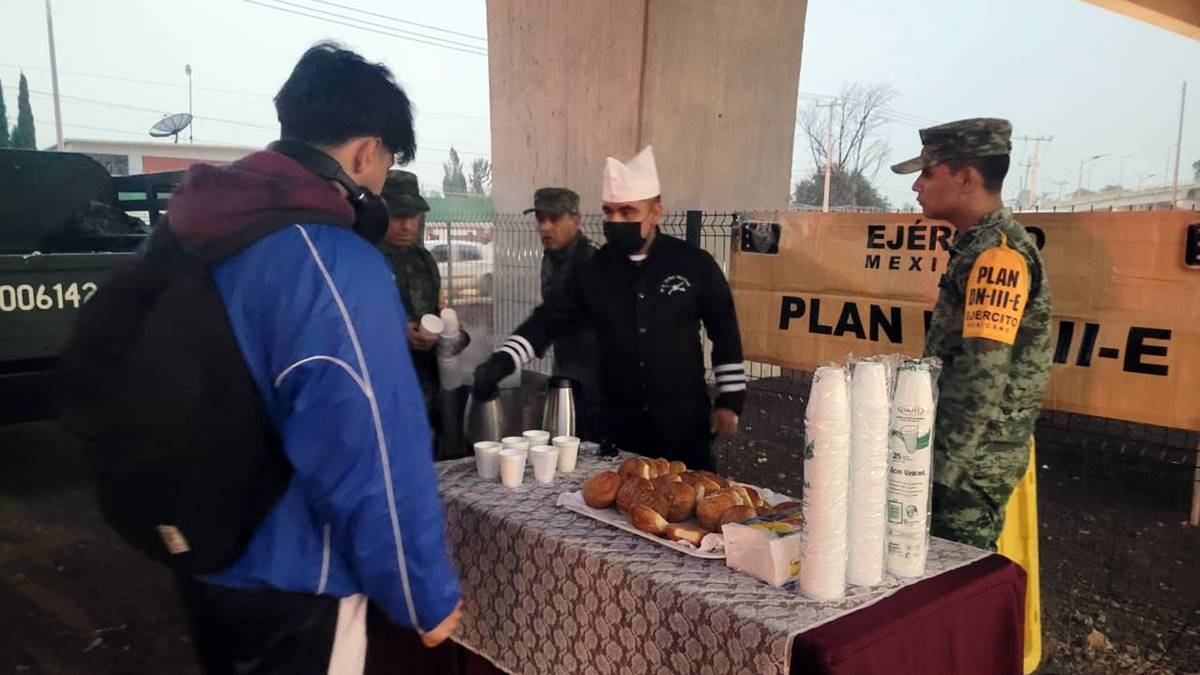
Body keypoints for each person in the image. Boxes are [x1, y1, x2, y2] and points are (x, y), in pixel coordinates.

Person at [166, 43, 461, 671]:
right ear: (365, 152)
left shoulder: (186, 232)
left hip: (199, 551)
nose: (380, 185)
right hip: (297, 579)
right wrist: (423, 595)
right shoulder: (332, 262)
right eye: (387, 164)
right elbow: (374, 449)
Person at [473, 146, 745, 471]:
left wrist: (730, 399)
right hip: (621, 427)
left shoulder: (693, 264)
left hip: (684, 425)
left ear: (656, 212)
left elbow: (724, 329)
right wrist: (503, 360)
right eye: (609, 212)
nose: (616, 221)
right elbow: (548, 321)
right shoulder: (593, 271)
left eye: (628, 212)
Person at [892, 118, 1052, 550]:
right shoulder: (978, 246)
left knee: (949, 580)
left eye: (928, 173)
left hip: (965, 468)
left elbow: (982, 375)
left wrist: (941, 472)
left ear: (965, 179)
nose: (917, 187)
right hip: (961, 459)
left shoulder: (997, 255)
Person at [525, 187, 600, 438]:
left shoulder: (592, 260)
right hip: (565, 368)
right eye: (540, 218)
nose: (545, 227)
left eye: (554, 219)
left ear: (575, 219)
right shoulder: (551, 257)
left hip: (595, 379)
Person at [378, 170, 443, 439]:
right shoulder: (364, 258)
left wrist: (444, 333)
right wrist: (397, 332)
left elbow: (436, 309)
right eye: (398, 216)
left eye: (412, 217)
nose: (407, 226)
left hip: (424, 384)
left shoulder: (423, 260)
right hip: (382, 383)